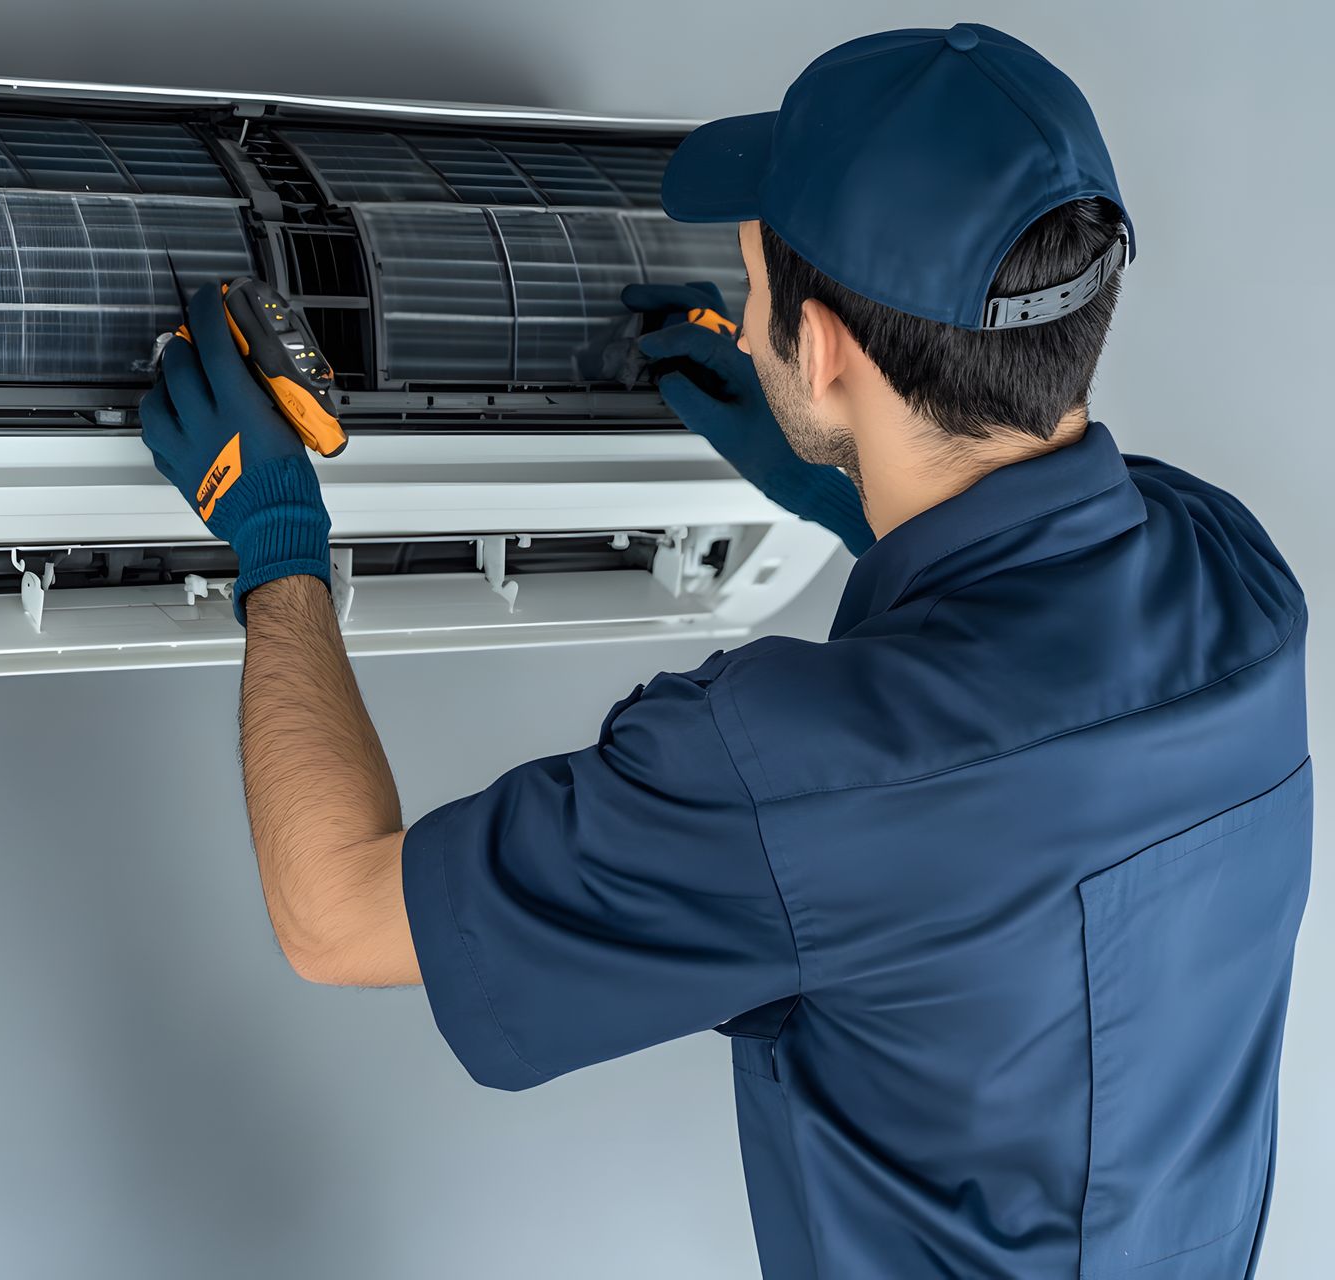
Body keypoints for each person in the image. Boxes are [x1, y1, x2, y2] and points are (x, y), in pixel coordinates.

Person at [138, 23, 1310, 1279]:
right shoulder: (1237, 580)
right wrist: (841, 485)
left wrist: (276, 537)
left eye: (757, 297)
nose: (747, 332)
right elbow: (1024, 658)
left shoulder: (794, 779)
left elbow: (331, 911)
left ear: (825, 351)